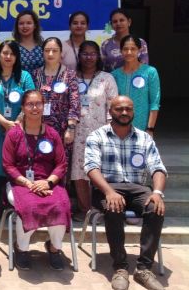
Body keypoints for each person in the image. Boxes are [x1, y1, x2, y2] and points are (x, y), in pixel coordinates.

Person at [85, 95, 166, 290]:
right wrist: (109, 191)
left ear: (133, 112)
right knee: (113, 208)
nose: (124, 113)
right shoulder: (97, 136)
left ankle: (144, 269)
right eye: (119, 109)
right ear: (110, 112)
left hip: (137, 187)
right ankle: (120, 267)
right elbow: (91, 168)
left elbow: (158, 168)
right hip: (107, 186)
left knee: (155, 207)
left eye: (128, 109)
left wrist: (157, 192)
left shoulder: (144, 138)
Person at [2, 90, 71, 271]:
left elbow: (61, 164)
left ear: (44, 106)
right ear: (23, 108)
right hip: (20, 184)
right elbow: (8, 165)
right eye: (30, 104)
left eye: (38, 104)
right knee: (29, 206)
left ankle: (54, 248)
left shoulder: (52, 134)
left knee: (61, 205)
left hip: (48, 183)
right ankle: (21, 249)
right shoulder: (13, 134)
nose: (34, 108)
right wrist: (28, 183)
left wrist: (48, 182)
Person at [0, 41, 35, 223]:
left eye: (12, 53)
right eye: (4, 53)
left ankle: (14, 205)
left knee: (15, 165)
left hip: (19, 128)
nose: (8, 56)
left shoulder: (24, 76)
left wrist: (16, 122)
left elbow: (30, 100)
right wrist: (4, 123)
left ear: (17, 56)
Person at [70, 41, 118, 222]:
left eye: (92, 54)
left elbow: (112, 107)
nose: (89, 57)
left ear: (98, 56)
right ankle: (85, 209)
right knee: (79, 171)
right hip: (77, 132)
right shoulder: (72, 77)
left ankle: (101, 208)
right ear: (79, 56)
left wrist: (111, 131)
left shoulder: (107, 78)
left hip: (101, 132)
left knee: (100, 169)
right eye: (85, 54)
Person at [32, 37, 80, 152]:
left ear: (61, 53)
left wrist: (71, 128)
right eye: (47, 50)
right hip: (38, 127)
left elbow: (74, 103)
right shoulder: (35, 74)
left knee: (61, 160)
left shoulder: (70, 74)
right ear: (42, 52)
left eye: (54, 50)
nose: (50, 54)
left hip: (62, 129)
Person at [111, 35, 160, 133]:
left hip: (142, 127)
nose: (129, 52)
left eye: (133, 49)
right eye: (125, 49)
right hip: (118, 127)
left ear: (139, 50)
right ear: (121, 51)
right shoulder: (114, 75)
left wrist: (150, 129)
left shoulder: (150, 72)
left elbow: (154, 103)